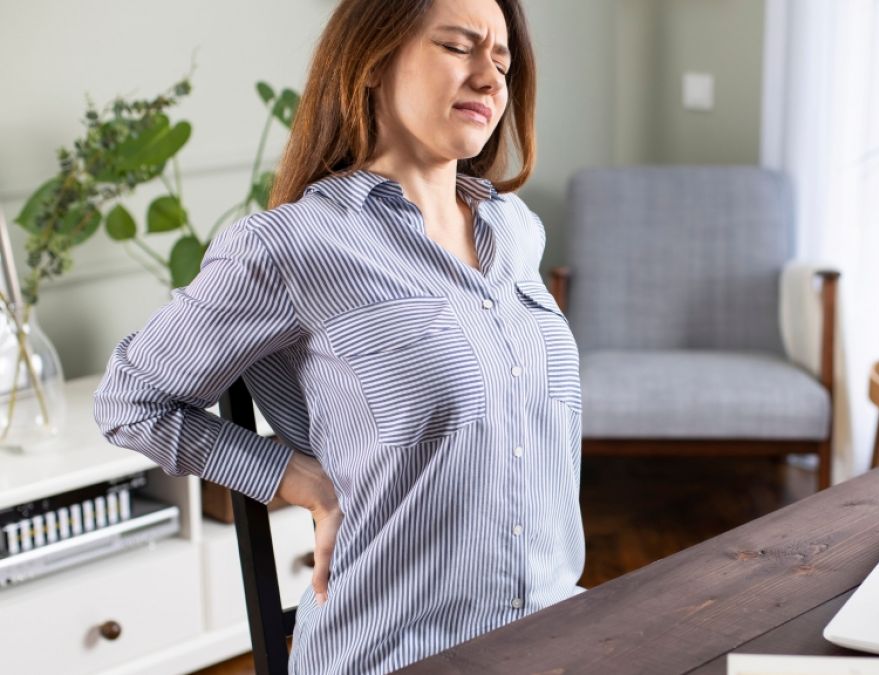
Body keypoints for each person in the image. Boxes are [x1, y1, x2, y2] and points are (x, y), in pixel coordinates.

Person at [92, 0, 585, 671]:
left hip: (559, 628)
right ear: (372, 61)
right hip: (400, 651)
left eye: (501, 61)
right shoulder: (292, 246)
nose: (489, 78)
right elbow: (129, 400)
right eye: (456, 47)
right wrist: (295, 477)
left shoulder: (516, 228)